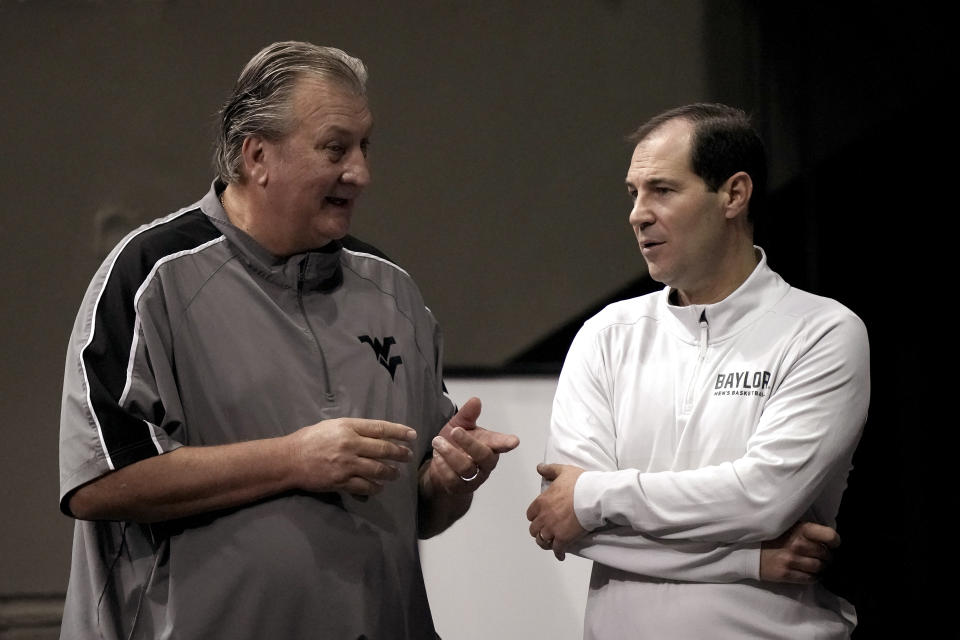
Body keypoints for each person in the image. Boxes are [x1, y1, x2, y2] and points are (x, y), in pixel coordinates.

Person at [58, 41, 518, 640]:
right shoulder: (153, 275)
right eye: (336, 148)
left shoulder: (393, 292)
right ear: (257, 157)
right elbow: (98, 482)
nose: (360, 172)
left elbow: (420, 513)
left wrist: (449, 481)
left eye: (364, 146)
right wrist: (295, 459)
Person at [526, 103, 868, 638]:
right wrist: (747, 560)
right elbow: (567, 528)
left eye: (662, 190)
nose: (637, 213)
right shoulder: (605, 335)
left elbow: (763, 499)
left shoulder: (821, 331)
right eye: (633, 193)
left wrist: (597, 496)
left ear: (733, 195)